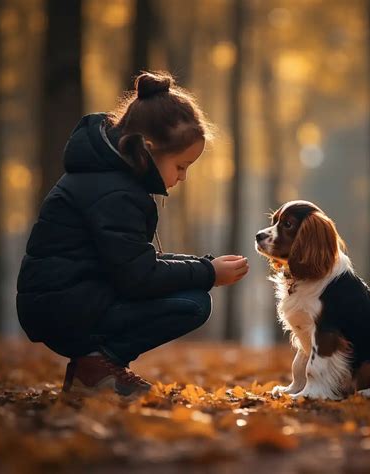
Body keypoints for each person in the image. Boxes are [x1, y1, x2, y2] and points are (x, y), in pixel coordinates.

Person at [16, 71, 249, 397]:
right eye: (181, 166)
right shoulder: (116, 193)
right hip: (64, 308)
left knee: (192, 294)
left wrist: (203, 266)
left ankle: (92, 369)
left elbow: (133, 262)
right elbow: (138, 277)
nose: (182, 178)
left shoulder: (109, 179)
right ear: (148, 151)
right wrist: (207, 272)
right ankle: (96, 369)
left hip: (69, 300)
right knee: (193, 304)